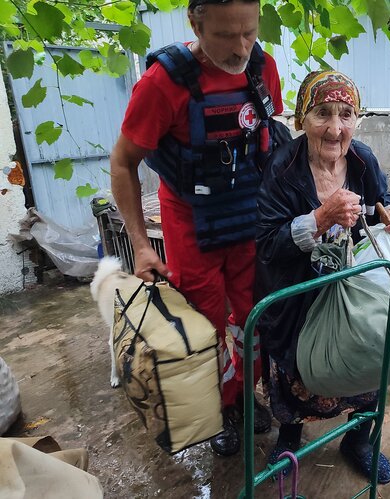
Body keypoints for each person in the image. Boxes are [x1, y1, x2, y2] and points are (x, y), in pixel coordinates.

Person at [109, 0, 282, 457]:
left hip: (250, 215)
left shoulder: (263, 68)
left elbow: (271, 140)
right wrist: (142, 246)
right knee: (203, 323)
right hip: (192, 221)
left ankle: (244, 395)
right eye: (226, 35)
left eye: (249, 32)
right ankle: (217, 407)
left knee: (254, 316)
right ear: (195, 22)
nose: (240, 47)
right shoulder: (163, 83)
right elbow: (123, 162)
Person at [255, 70, 390, 484]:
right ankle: (289, 441)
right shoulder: (283, 169)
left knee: (371, 355)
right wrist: (319, 220)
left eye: (346, 114)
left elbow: (384, 198)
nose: (335, 128)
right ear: (301, 119)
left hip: (353, 289)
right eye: (322, 113)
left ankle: (358, 440)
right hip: (297, 298)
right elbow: (268, 243)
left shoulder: (362, 159)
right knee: (296, 378)